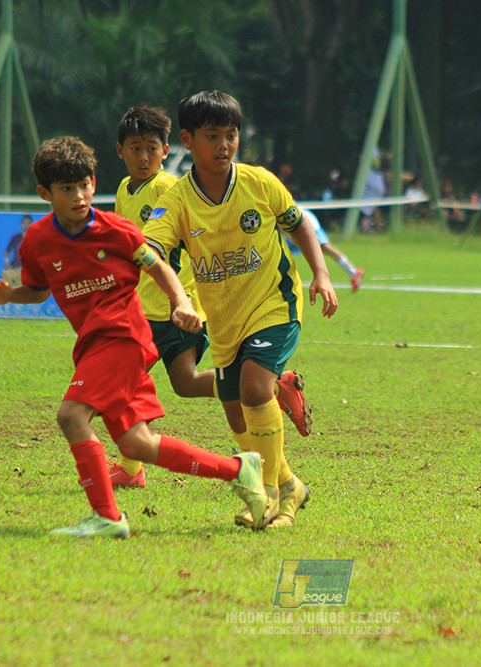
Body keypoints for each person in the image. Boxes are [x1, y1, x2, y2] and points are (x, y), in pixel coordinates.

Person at [0, 135, 270, 537]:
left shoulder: (115, 229)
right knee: (137, 445)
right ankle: (239, 469)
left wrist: (180, 302)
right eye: (66, 189)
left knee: (71, 416)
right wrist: (9, 295)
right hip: (94, 343)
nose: (79, 196)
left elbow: (159, 266)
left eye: (84, 185)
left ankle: (107, 517)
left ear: (93, 183)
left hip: (122, 334)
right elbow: (38, 289)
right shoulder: (38, 240)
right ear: (45, 193)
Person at [145, 91, 339, 529]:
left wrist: (321, 274)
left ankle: (267, 497)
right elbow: (150, 249)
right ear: (188, 140)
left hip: (275, 303)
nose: (224, 145)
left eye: (231, 135)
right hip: (224, 321)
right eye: (212, 136)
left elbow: (299, 224)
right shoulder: (177, 200)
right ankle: (290, 485)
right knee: (236, 411)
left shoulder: (259, 182)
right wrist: (178, 298)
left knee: (253, 390)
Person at [109, 103, 312, 489]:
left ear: (167, 149)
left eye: (151, 148)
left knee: (129, 383)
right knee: (184, 384)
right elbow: (135, 246)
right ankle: (272, 394)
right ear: (120, 151)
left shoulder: (170, 189)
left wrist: (180, 300)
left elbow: (162, 249)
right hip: (148, 307)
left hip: (178, 307)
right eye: (135, 148)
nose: (144, 157)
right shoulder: (125, 190)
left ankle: (132, 469)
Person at [285, 206, 364, 293]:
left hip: (305, 222)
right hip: (302, 221)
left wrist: (290, 235)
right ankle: (352, 271)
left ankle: (352, 271)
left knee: (324, 247)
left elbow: (286, 214)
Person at [1, 215, 33, 286]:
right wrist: (7, 262)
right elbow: (7, 252)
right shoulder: (16, 238)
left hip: (29, 271)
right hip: (16, 268)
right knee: (16, 289)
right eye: (25, 223)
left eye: (28, 223)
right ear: (22, 224)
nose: (26, 225)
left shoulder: (35, 238)